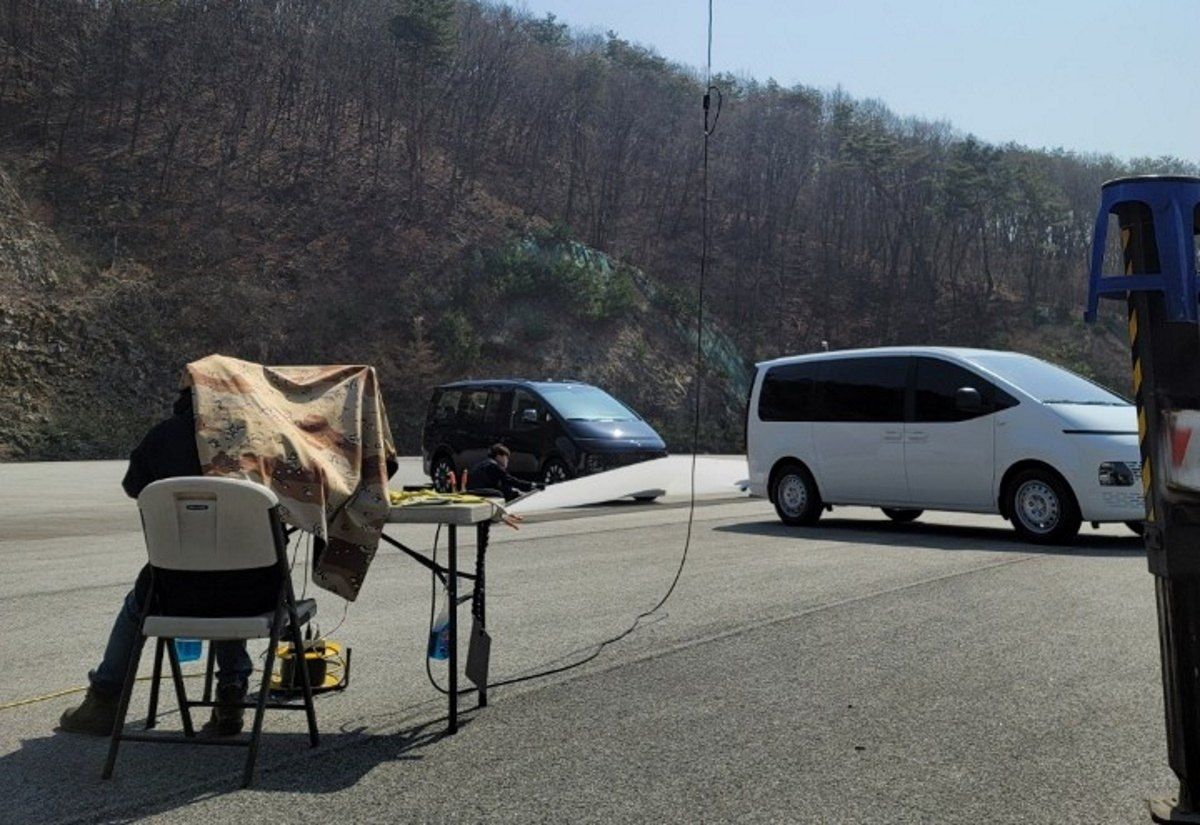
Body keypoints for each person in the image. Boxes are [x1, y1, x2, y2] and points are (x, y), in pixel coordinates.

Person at [58, 390, 266, 737]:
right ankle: (231, 692)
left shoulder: (162, 436)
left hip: (173, 591)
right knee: (231, 578)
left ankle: (104, 700)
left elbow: (133, 486)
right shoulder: (258, 439)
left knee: (135, 608)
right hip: (254, 594)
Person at [468, 444, 541, 502]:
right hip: (482, 492)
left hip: (473, 491)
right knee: (506, 491)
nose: (507, 461)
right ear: (499, 456)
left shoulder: (483, 464)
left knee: (507, 488)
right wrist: (532, 485)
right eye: (506, 458)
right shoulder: (493, 466)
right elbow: (511, 480)